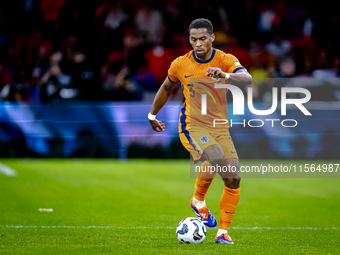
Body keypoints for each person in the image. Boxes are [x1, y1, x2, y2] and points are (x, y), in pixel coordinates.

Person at [148, 18, 252, 244]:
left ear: (212, 38)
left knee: (233, 178)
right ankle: (199, 201)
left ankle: (222, 232)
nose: (198, 43)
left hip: (220, 127)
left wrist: (225, 75)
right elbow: (167, 86)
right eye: (193, 39)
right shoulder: (180, 64)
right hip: (192, 125)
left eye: (203, 38)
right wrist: (152, 115)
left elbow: (247, 79)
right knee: (214, 156)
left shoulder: (225, 60)